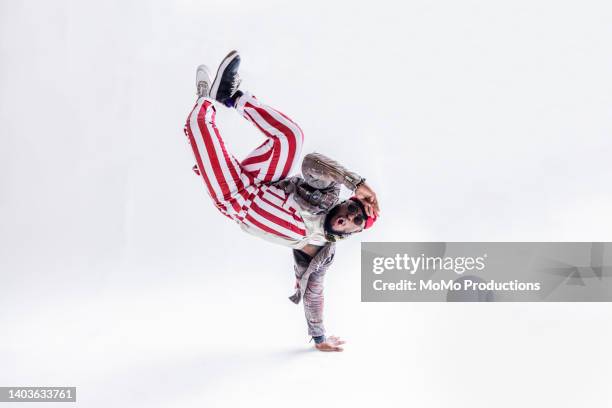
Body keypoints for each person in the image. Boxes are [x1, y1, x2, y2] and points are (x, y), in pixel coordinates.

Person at [183, 50, 381, 352]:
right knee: (293, 137)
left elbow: (314, 293)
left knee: (199, 124)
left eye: (357, 222)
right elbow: (312, 163)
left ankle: (203, 98)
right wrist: (356, 182)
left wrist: (319, 337)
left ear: (353, 233)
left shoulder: (320, 252)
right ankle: (231, 96)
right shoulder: (328, 195)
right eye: (353, 209)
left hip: (235, 197)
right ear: (347, 203)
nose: (351, 217)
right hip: (263, 180)